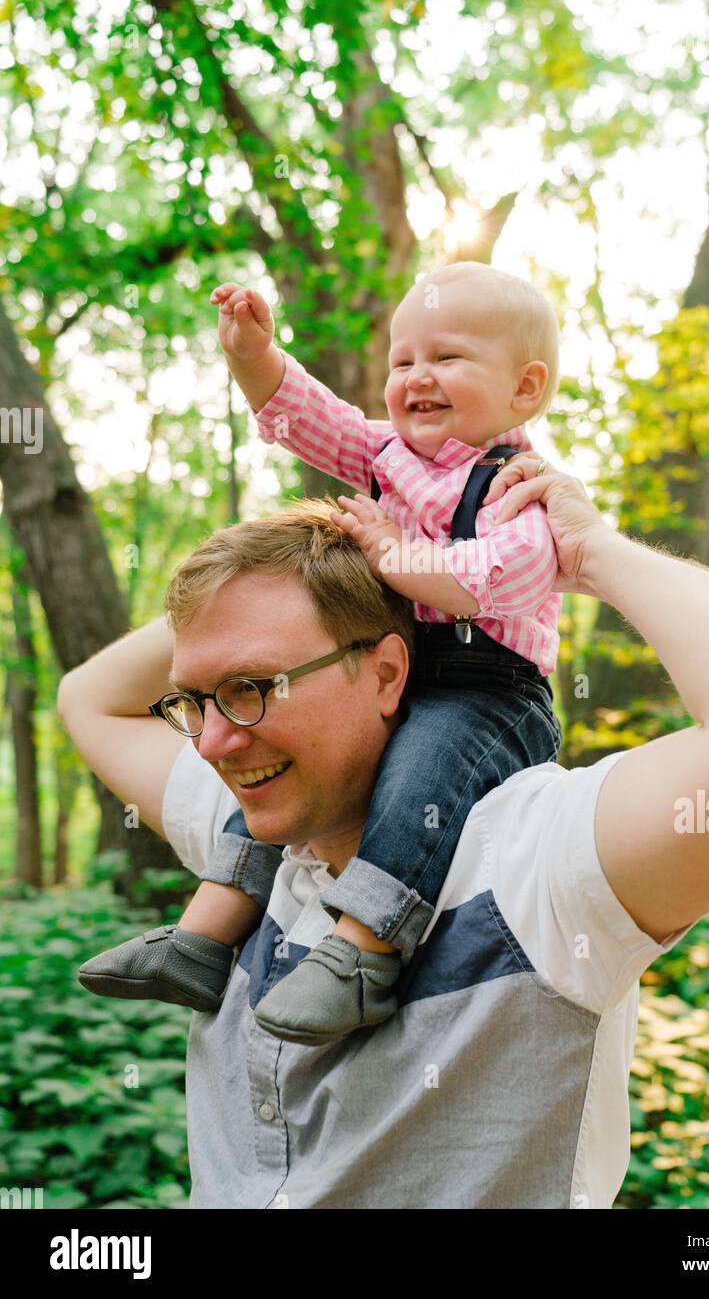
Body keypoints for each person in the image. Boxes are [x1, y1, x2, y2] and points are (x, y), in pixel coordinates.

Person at [57, 461, 709, 1209]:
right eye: (195, 700)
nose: (211, 742)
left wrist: (586, 555)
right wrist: (299, 552)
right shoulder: (256, 824)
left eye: (252, 687)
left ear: (384, 673)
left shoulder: (533, 861)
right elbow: (86, 698)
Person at [79, 262, 567, 1045]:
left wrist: (389, 552)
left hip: (487, 694)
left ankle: (365, 952)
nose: (416, 377)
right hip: (404, 673)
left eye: (446, 358)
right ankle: (203, 936)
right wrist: (251, 356)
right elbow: (314, 418)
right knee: (284, 773)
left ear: (524, 388)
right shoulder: (389, 457)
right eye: (402, 361)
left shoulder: (518, 488)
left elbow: (492, 582)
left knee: (417, 778)